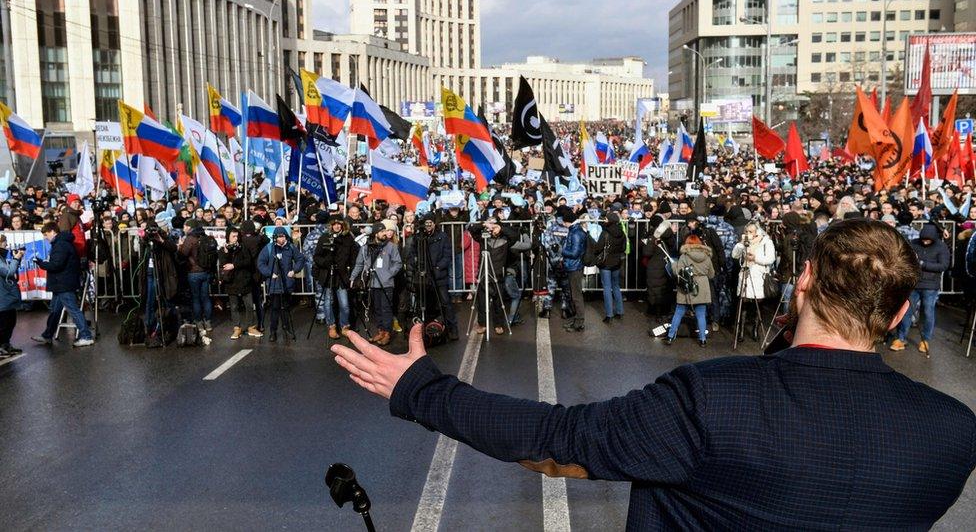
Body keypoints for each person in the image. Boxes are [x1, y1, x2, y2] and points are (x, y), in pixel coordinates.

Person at [332, 219, 976, 530]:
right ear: (897, 313)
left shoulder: (713, 402)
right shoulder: (953, 433)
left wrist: (421, 388)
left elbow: (556, 438)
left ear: (802, 281)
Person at [31, 222, 94, 347]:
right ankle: (47, 335)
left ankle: (86, 336)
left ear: (53, 232)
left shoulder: (60, 245)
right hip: (61, 283)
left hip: (63, 283)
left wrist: (41, 263)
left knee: (73, 310)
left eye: (46, 234)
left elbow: (56, 265)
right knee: (55, 310)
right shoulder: (62, 243)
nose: (45, 237)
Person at [891, 223, 950, 355]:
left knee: (928, 313)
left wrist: (923, 264)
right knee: (906, 312)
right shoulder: (914, 243)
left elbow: (943, 265)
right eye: (923, 239)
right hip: (914, 284)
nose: (925, 241)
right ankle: (901, 338)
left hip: (930, 286)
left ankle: (925, 340)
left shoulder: (941, 247)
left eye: (928, 240)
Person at [404, 214, 458, 340]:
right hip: (423, 277)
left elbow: (447, 255)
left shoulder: (442, 237)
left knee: (445, 303)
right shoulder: (418, 238)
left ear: (434, 223)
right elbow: (411, 254)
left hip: (438, 276)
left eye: (430, 222)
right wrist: (415, 266)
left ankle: (452, 329)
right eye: (426, 223)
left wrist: (438, 268)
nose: (428, 225)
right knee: (423, 303)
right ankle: (425, 329)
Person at [350, 220, 402, 346]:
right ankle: (381, 331)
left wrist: (388, 274)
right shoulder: (366, 248)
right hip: (372, 283)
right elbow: (359, 263)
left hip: (386, 284)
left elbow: (398, 263)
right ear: (375, 233)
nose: (385, 233)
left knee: (386, 309)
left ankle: (387, 333)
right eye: (382, 231)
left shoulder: (391, 246)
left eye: (385, 230)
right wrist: (353, 278)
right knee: (377, 309)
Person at [663, 234, 714, 347]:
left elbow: (677, 272)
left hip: (687, 286)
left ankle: (670, 337)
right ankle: (703, 340)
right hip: (702, 287)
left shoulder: (684, 256)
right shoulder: (707, 256)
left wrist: (673, 264)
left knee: (679, 312)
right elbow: (711, 274)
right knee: (701, 314)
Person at [312, 215, 357, 340]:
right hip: (328, 274)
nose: (336, 226)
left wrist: (352, 274)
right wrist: (326, 263)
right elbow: (317, 257)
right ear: (330, 225)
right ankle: (331, 325)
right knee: (328, 302)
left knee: (344, 304)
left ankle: (344, 326)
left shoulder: (348, 238)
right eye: (334, 224)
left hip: (342, 275)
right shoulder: (325, 237)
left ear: (343, 225)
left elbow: (354, 258)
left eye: (339, 224)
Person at [257, 226, 305, 342]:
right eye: (278, 237)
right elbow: (261, 263)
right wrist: (269, 273)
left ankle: (286, 328)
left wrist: (294, 270)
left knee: (286, 307)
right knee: (274, 308)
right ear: (275, 237)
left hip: (287, 283)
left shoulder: (290, 247)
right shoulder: (269, 248)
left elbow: (300, 259)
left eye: (282, 236)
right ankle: (273, 331)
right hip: (274, 284)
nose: (281, 239)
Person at [731, 221, 776, 341]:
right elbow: (734, 255)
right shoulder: (744, 243)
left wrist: (755, 258)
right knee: (744, 303)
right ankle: (740, 331)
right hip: (745, 274)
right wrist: (741, 244)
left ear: (757, 232)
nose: (748, 234)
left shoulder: (766, 242)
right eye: (746, 231)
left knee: (758, 304)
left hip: (758, 276)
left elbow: (771, 259)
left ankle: (755, 330)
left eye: (751, 232)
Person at [219, 227, 256, 340]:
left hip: (244, 279)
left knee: (249, 305)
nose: (235, 239)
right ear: (228, 237)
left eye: (237, 236)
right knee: (234, 306)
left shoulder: (243, 247)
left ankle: (251, 326)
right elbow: (223, 264)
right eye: (233, 236)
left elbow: (248, 261)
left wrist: (235, 265)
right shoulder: (223, 249)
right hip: (231, 281)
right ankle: (237, 328)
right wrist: (225, 253)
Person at [179, 219, 214, 331]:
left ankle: (198, 322)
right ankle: (208, 322)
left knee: (196, 298)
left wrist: (180, 246)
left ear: (190, 227)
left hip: (194, 272)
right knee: (206, 298)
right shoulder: (205, 237)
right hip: (206, 271)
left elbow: (183, 254)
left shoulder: (190, 239)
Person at [595, 212, 627, 324]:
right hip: (617, 262)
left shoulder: (605, 233)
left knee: (607, 288)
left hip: (606, 263)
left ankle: (609, 315)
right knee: (616, 286)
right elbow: (623, 247)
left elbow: (598, 247)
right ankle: (620, 311)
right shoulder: (622, 232)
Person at [560, 210, 587, 332]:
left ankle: (579, 322)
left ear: (567, 221)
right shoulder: (575, 230)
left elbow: (575, 253)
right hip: (573, 266)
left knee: (576, 295)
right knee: (574, 294)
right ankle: (577, 320)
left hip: (575, 266)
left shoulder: (576, 233)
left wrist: (562, 250)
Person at [0, 234, 24, 356]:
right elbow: (8, 272)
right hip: (2, 296)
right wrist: (16, 259)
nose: (6, 245)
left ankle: (6, 344)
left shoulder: (2, 257)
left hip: (6, 295)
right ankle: (1, 346)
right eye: (4, 242)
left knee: (10, 321)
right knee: (4, 323)